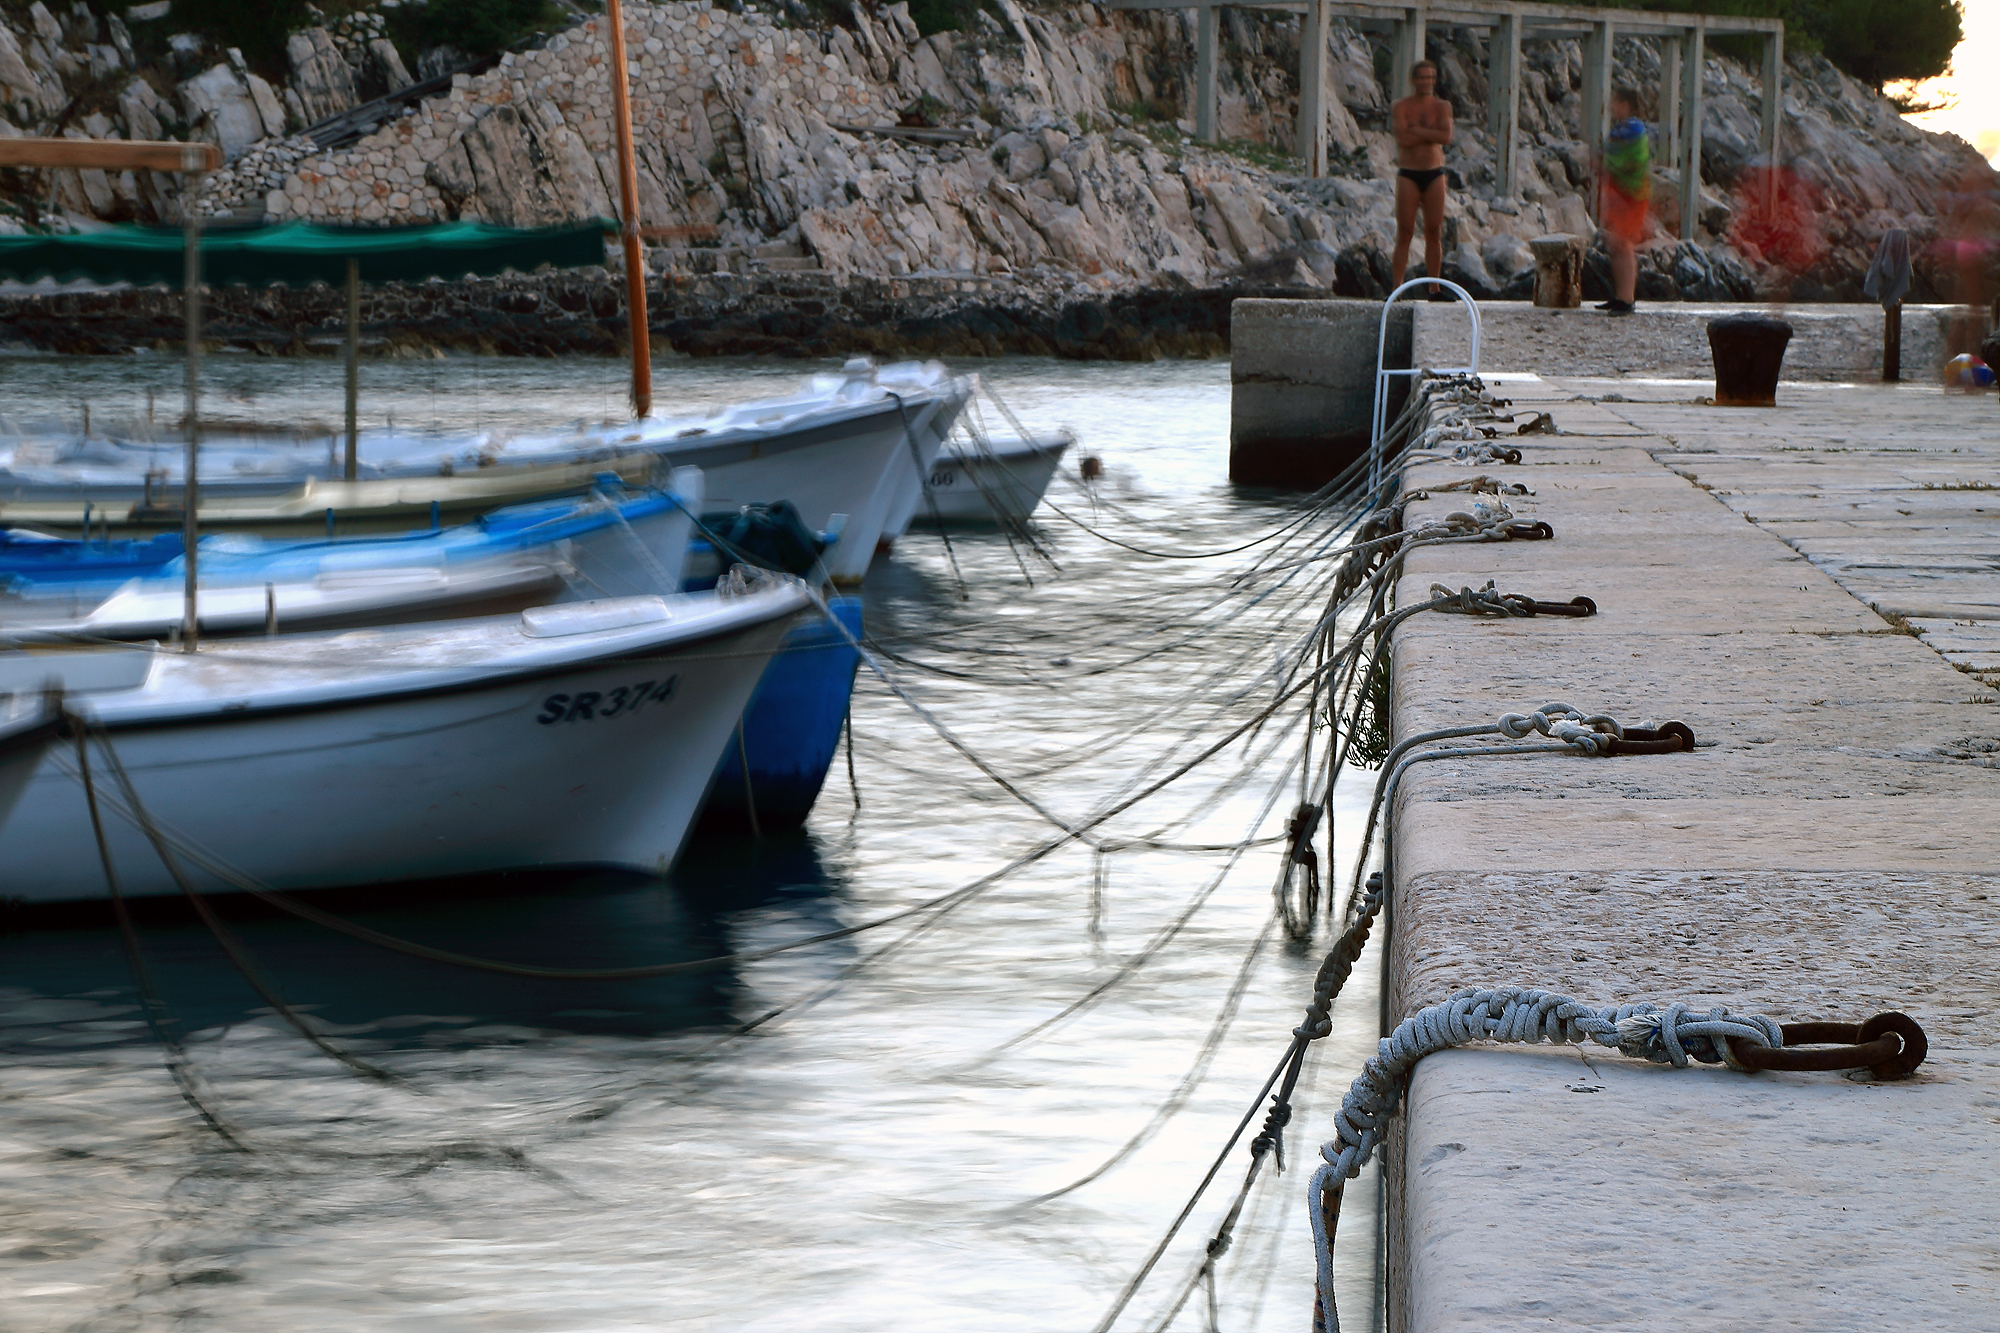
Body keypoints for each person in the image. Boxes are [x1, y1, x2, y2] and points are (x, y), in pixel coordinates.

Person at [1391, 60, 1453, 300]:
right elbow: (1402, 139)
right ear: (1413, 80)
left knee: (1434, 232)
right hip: (1409, 174)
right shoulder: (1401, 107)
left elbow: (1446, 136)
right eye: (1423, 77)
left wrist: (1417, 130)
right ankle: (1397, 288)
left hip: (1434, 173)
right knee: (1405, 232)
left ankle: (1434, 288)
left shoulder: (1442, 106)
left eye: (1431, 77)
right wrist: (1429, 135)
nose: (1427, 82)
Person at [1598, 86, 1650, 315]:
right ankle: (1620, 295)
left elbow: (1629, 161)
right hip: (1620, 195)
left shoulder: (1634, 129)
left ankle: (1626, 298)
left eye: (1617, 102)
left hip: (1631, 196)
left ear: (1626, 105)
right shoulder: (1623, 129)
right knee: (1614, 245)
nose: (1613, 107)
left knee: (1623, 245)